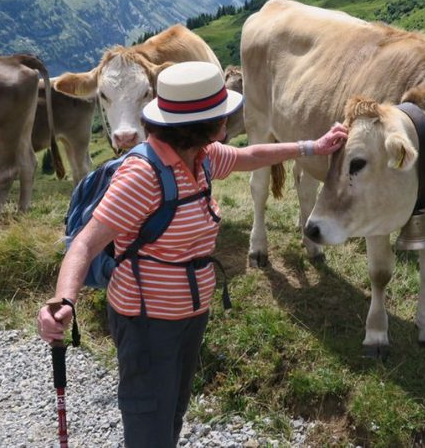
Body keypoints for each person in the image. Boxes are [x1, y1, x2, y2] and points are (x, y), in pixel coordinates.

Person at [36, 61, 348, 447]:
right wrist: (63, 300)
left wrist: (311, 147)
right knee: (148, 418)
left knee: (172, 411)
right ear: (205, 125)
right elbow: (84, 242)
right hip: (146, 323)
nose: (228, 123)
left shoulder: (200, 157)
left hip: (190, 316)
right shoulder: (143, 176)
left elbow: (250, 156)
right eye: (223, 116)